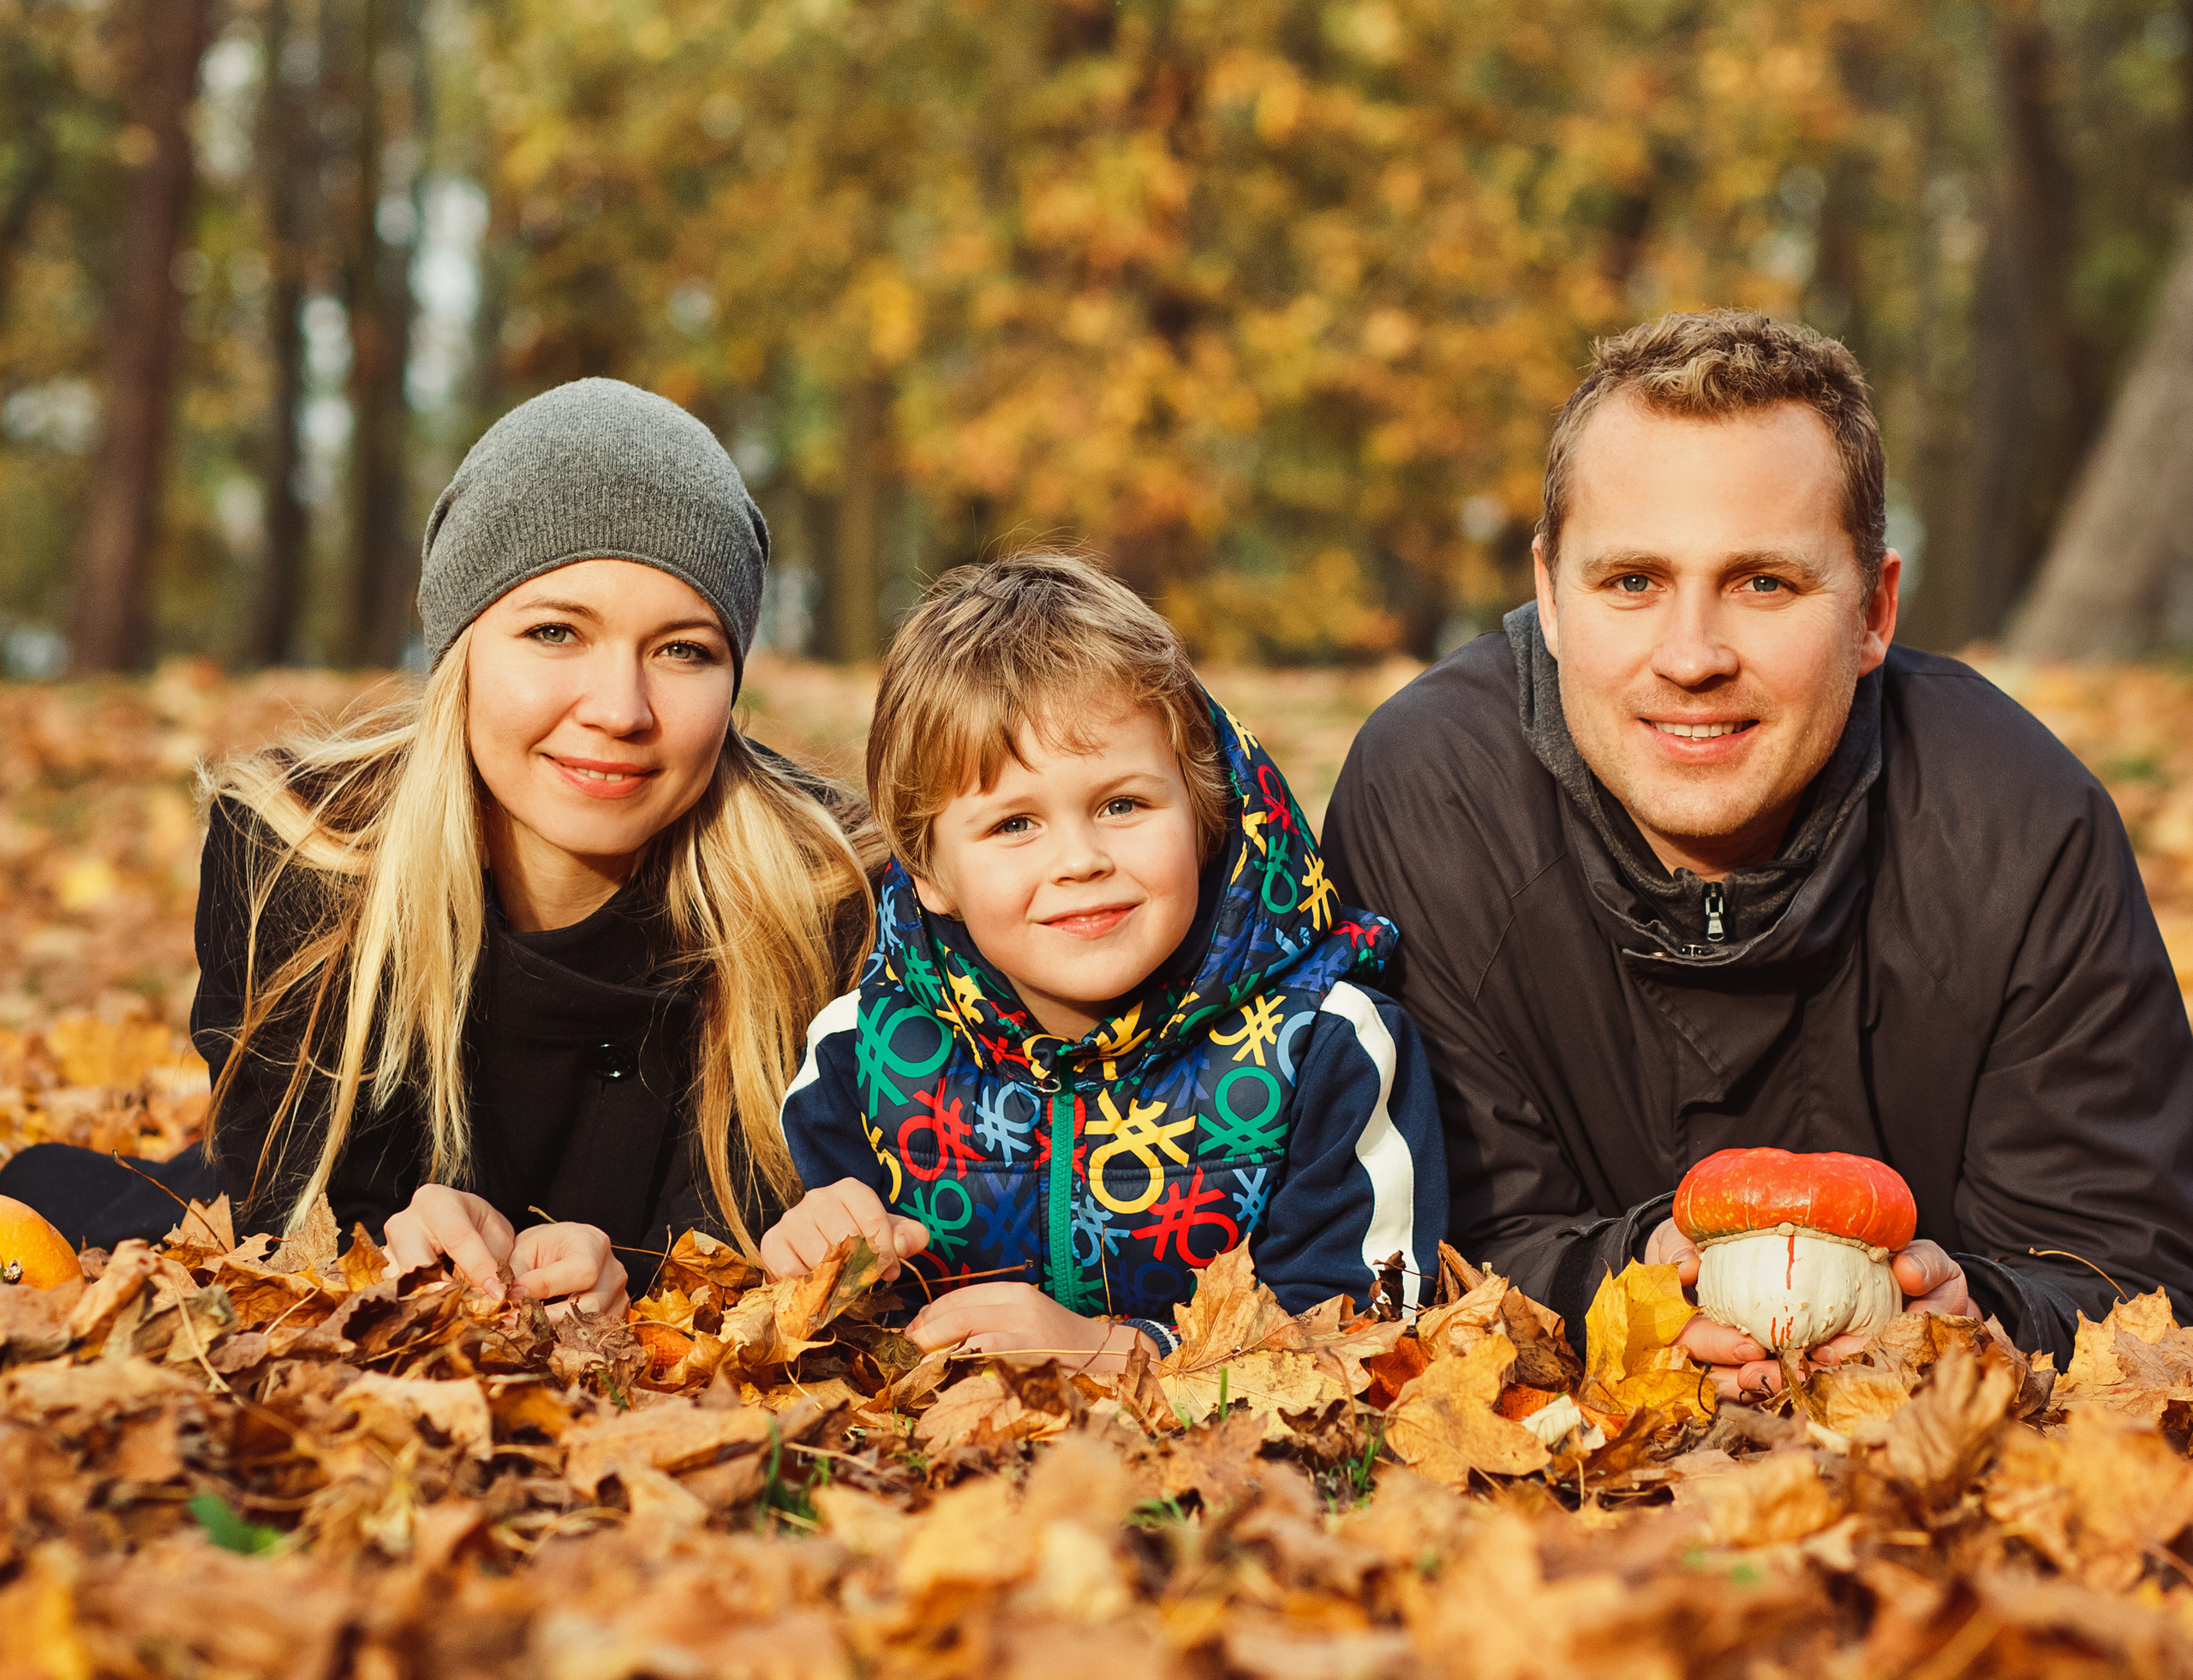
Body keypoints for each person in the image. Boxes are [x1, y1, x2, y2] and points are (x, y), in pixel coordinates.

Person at [1322, 310, 2193, 1394]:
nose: (1692, 656)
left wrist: (1983, 1314)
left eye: (1764, 583)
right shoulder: (1431, 801)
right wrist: (1625, 1286)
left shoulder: (2019, 824)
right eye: (1632, 581)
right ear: (1548, 595)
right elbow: (1407, 1233)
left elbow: (2120, 1264)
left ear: (1874, 609)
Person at [2, 380, 875, 1315]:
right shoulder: (301, 856)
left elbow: (763, 1232)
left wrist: (643, 1275)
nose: (620, 709)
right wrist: (381, 1244)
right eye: (554, 632)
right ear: (458, 646)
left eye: (684, 650)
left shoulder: (818, 893)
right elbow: (283, 1203)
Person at [765, 552, 1444, 1365]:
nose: (1080, 860)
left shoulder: (1327, 1049)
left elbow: (1369, 1329)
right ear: (929, 873)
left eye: (1122, 804)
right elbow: (840, 1337)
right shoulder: (860, 1051)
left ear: (1201, 814)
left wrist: (1121, 1353)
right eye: (1014, 824)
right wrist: (819, 1255)